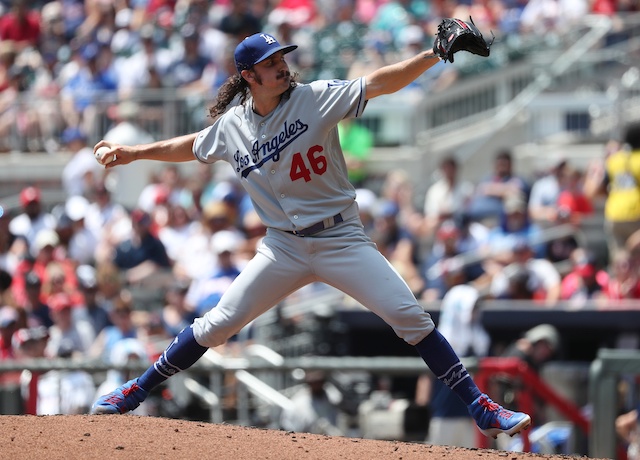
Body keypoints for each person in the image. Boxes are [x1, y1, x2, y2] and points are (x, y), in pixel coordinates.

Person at [88, 31, 531, 439]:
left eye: (282, 56)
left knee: (411, 318)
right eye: (270, 61)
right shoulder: (233, 126)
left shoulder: (315, 97)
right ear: (248, 76)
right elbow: (192, 144)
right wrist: (133, 153)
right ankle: (135, 391)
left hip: (341, 237)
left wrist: (434, 54)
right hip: (283, 246)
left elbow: (379, 83)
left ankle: (481, 407)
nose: (281, 64)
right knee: (217, 325)